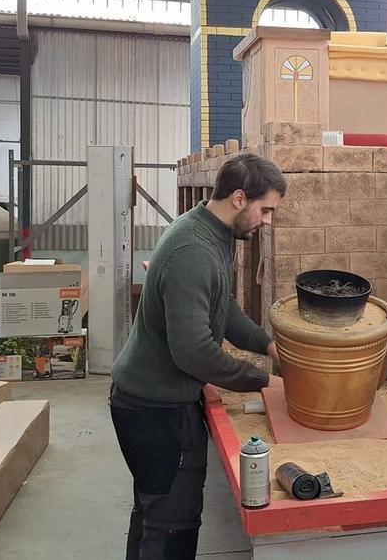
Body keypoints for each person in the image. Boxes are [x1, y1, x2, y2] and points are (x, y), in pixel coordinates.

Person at [110, 152, 286, 560]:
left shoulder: (216, 234)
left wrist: (268, 346)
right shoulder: (193, 249)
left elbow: (221, 308)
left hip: (162, 402)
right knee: (170, 525)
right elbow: (194, 352)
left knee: (157, 516)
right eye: (266, 209)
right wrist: (262, 380)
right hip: (154, 410)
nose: (268, 221)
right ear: (240, 198)